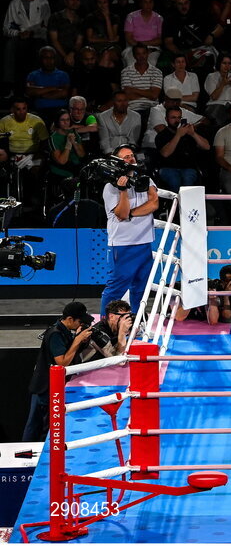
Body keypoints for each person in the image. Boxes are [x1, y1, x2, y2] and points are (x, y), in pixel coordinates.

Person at [23, 302, 95, 440]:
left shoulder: (65, 331)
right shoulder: (55, 334)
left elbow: (70, 352)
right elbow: (62, 362)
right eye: (79, 321)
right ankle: (33, 454)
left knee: (38, 424)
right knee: (38, 426)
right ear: (69, 319)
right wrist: (77, 341)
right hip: (45, 388)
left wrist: (81, 341)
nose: (80, 325)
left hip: (49, 386)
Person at [101, 145, 159, 314]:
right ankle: (106, 324)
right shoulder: (110, 187)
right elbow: (121, 214)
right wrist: (123, 191)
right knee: (115, 289)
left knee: (141, 287)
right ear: (117, 162)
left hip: (144, 242)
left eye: (132, 156)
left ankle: (136, 321)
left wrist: (132, 214)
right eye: (126, 157)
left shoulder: (146, 180)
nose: (131, 159)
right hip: (122, 245)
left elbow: (153, 203)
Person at [155, 107, 210, 192]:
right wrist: (178, 135)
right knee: (175, 181)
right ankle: (176, 205)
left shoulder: (188, 134)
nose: (176, 120)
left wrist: (193, 134)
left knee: (187, 180)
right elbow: (166, 153)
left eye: (179, 117)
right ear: (166, 119)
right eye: (173, 117)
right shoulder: (162, 135)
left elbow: (206, 147)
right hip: (168, 168)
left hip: (188, 168)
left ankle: (187, 204)